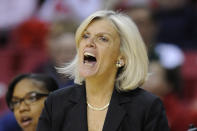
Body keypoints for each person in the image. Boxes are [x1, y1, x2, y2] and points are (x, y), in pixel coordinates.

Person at [37, 10, 169, 131]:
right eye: (86, 36)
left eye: (103, 38)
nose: (89, 43)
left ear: (121, 57)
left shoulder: (147, 107)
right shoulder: (56, 102)